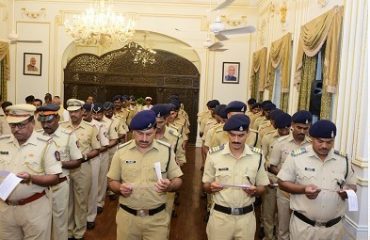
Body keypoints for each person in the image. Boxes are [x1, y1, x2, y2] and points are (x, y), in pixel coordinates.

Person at [107, 110, 183, 240]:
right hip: (128, 219)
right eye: (139, 133)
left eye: (148, 134)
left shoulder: (166, 151)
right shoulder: (121, 152)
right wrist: (119, 188)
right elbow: (111, 181)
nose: (144, 139)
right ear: (133, 132)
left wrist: (169, 186)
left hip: (157, 220)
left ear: (155, 131)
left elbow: (178, 179)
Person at [277, 120, 357, 240]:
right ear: (311, 138)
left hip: (334, 230)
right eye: (320, 141)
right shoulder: (297, 157)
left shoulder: (343, 160)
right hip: (304, 229)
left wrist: (348, 191)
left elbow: (352, 185)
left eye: (329, 142)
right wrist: (303, 189)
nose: (325, 146)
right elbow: (282, 183)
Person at [0, 104, 62, 240]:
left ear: (32, 122)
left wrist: (31, 178)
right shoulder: (2, 143)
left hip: (34, 208)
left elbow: (54, 178)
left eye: (21, 125)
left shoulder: (46, 144)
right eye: (12, 126)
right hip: (5, 208)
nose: (16, 130)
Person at [203, 114, 269, 240]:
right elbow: (205, 185)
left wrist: (255, 191)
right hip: (220, 218)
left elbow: (263, 187)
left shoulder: (257, 157)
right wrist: (210, 187)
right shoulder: (214, 155)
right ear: (226, 134)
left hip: (246, 219)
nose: (236, 140)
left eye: (241, 135)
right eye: (232, 135)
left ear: (248, 133)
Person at [37, 104, 83, 240]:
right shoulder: (37, 136)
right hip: (40, 186)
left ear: (57, 118)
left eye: (49, 121)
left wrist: (56, 164)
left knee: (59, 222)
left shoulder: (68, 136)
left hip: (59, 185)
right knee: (40, 222)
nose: (45, 125)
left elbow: (77, 161)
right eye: (43, 122)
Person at [269, 110, 312, 240]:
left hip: (305, 194)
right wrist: (287, 179)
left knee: (301, 228)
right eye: (299, 127)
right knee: (283, 228)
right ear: (292, 124)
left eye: (306, 128)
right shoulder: (280, 143)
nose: (302, 131)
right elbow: (272, 166)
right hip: (285, 193)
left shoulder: (312, 145)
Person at [61, 99, 100, 240]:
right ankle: (69, 231)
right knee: (67, 200)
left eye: (76, 111)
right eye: (71, 112)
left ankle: (79, 232)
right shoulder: (62, 127)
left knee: (81, 201)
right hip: (64, 169)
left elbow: (97, 150)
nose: (73, 115)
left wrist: (82, 157)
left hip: (82, 168)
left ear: (82, 111)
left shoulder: (90, 128)